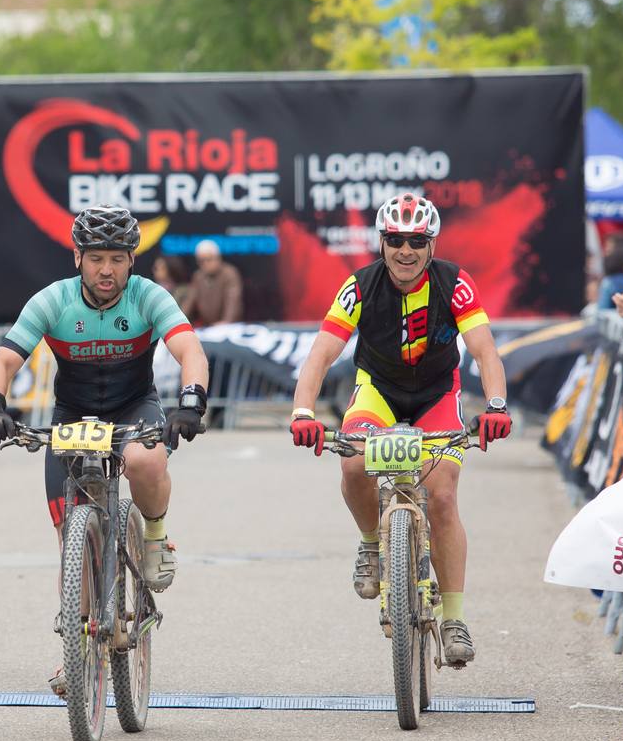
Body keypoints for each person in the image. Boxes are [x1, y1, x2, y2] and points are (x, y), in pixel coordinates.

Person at [0, 204, 209, 694]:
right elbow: (4, 358)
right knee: (70, 546)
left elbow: (189, 350)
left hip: (134, 408)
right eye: (97, 258)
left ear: (132, 261)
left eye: (118, 259)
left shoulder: (148, 296)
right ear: (77, 257)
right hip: (72, 416)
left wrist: (191, 403)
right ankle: (76, 654)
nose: (107, 270)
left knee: (146, 458)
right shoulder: (54, 300)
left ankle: (155, 537)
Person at [287, 192, 510, 667]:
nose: (405, 250)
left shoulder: (454, 283)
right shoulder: (360, 286)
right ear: (381, 242)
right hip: (379, 392)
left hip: (435, 396)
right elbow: (320, 355)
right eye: (394, 240)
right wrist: (303, 412)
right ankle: (372, 543)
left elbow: (485, 351)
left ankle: (453, 619)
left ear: (431, 244)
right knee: (352, 463)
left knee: (444, 497)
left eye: (415, 240)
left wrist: (495, 405)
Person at [180, 239, 243, 326]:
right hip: (208, 327)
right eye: (201, 261)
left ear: (218, 258)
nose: (205, 264)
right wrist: (178, 322)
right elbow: (189, 302)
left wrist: (227, 321)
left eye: (209, 259)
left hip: (229, 327)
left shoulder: (229, 273)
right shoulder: (198, 276)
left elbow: (233, 300)